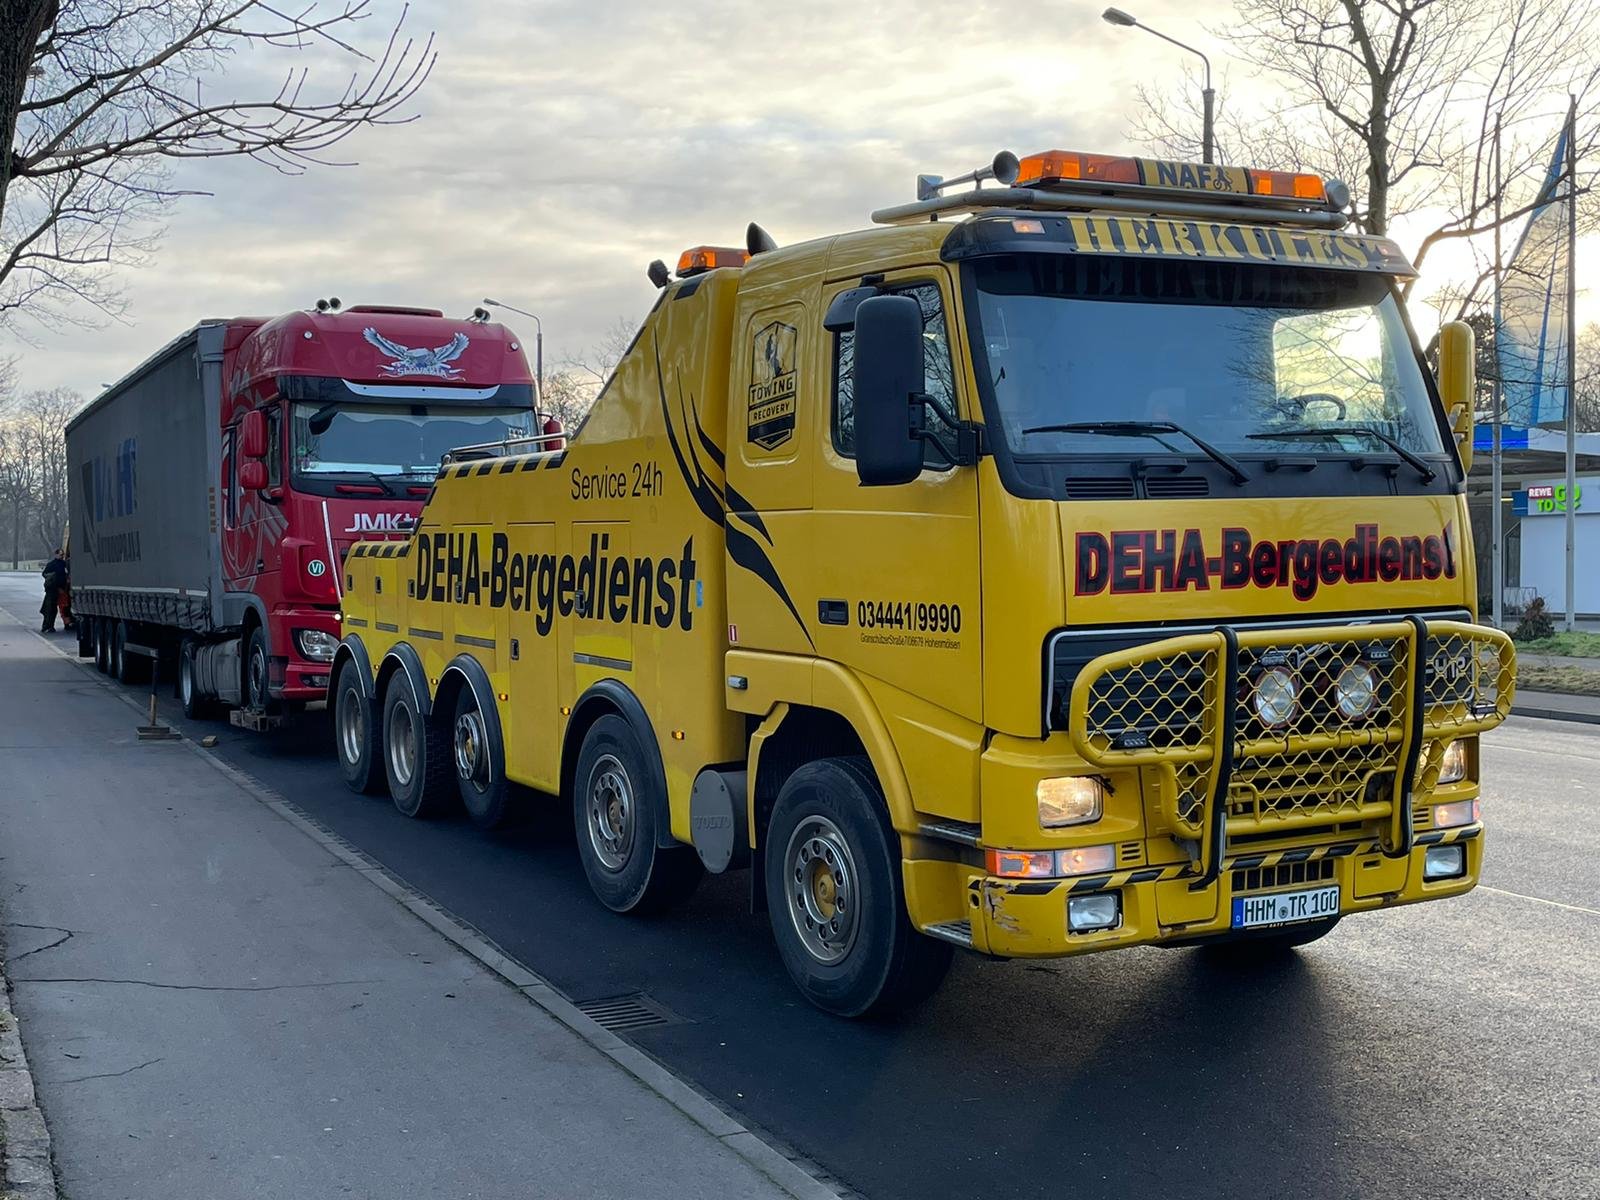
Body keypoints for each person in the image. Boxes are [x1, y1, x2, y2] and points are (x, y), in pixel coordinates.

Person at [40, 549, 68, 634]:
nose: (62, 556)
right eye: (60, 555)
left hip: (62, 589)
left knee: (63, 607)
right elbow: (44, 574)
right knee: (50, 609)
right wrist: (52, 578)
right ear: (56, 555)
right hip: (52, 590)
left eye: (63, 555)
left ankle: (66, 623)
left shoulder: (64, 564)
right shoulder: (51, 564)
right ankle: (47, 626)